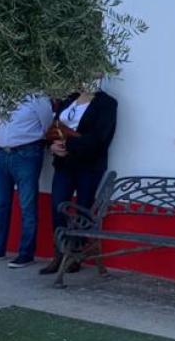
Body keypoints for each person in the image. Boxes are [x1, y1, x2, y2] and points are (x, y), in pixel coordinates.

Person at [40, 82, 117, 275]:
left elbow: (100, 138)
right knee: (58, 208)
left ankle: (74, 256)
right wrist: (52, 146)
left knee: (83, 209)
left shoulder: (107, 103)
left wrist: (68, 144)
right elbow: (54, 128)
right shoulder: (69, 99)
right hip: (63, 164)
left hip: (88, 165)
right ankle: (59, 254)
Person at [0, 94, 51, 268]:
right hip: (2, 153)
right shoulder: (3, 96)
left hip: (27, 153)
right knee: (0, 204)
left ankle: (26, 253)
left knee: (27, 205)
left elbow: (48, 127)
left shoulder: (38, 98)